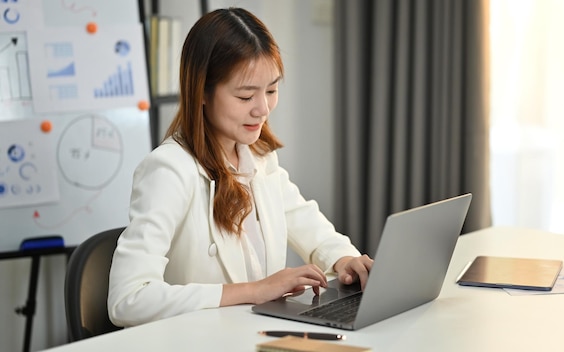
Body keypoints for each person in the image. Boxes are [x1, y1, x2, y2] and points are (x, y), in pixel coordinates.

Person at [107, 7, 373, 327]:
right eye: (246, 96)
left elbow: (313, 231)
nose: (262, 109)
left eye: (272, 90)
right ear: (202, 92)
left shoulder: (258, 159)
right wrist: (253, 291)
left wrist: (345, 260)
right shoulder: (168, 170)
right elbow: (127, 299)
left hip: (252, 336)